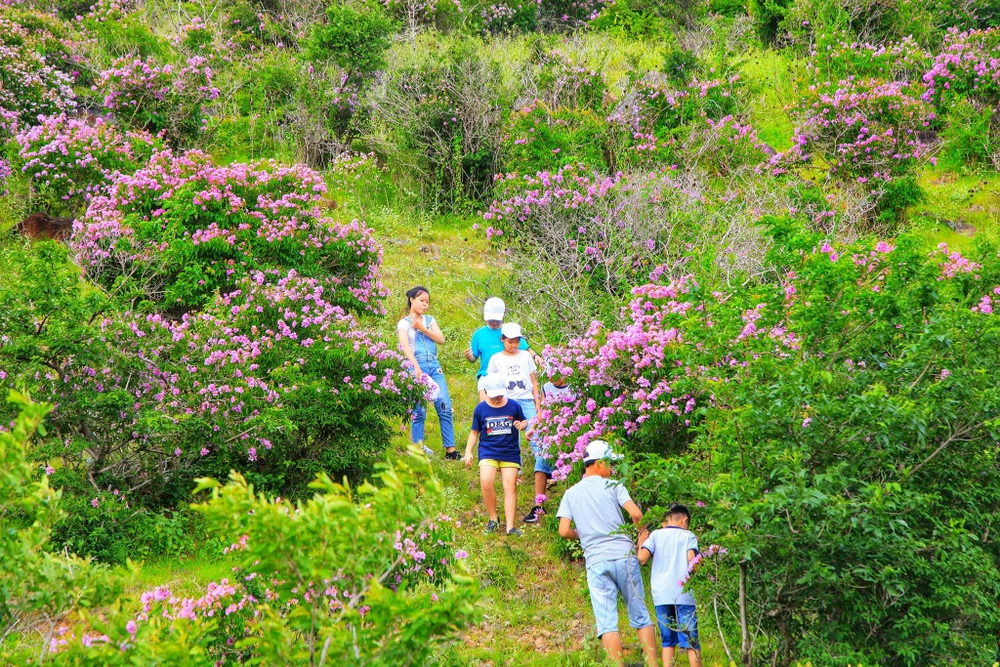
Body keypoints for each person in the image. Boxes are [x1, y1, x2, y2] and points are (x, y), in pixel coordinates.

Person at [557, 441, 658, 667]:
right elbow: (636, 513)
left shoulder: (571, 494)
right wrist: (641, 533)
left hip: (596, 560)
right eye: (610, 463)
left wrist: (584, 534)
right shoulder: (613, 485)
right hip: (624, 556)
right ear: (600, 463)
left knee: (607, 622)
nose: (612, 469)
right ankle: (652, 664)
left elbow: (563, 530)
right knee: (640, 615)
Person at [396, 286, 458, 459]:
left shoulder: (430, 320)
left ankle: (450, 451)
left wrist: (422, 328)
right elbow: (404, 346)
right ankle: (418, 448)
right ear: (412, 300)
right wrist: (414, 366)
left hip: (435, 366)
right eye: (421, 301)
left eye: (427, 302)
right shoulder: (403, 323)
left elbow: (441, 339)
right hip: (416, 366)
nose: (425, 305)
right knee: (419, 410)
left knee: (444, 405)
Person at [464, 373, 529, 537]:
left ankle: (510, 527)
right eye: (493, 395)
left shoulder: (514, 406)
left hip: (510, 452)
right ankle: (493, 518)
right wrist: (468, 451)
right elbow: (474, 432)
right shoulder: (480, 409)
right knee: (486, 481)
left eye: (499, 395)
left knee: (510, 485)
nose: (496, 399)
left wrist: (522, 424)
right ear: (485, 391)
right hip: (488, 451)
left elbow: (525, 421)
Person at [637, 504, 702, 667]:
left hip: (661, 595)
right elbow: (691, 559)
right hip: (684, 595)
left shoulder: (656, 535)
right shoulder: (688, 536)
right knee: (691, 639)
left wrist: (641, 542)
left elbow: (642, 558)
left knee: (668, 640)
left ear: (664, 522)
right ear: (685, 520)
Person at [465, 297, 542, 400]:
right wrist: (469, 356)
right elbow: (473, 358)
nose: (493, 322)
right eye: (490, 320)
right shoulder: (479, 334)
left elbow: (525, 348)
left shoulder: (508, 331)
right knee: (486, 407)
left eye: (496, 320)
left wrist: (536, 356)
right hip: (486, 374)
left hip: (508, 373)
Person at [523, 368, 573, 524]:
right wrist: (533, 428)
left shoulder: (574, 387)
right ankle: (539, 506)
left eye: (556, 376)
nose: (554, 379)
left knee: (568, 471)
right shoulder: (547, 387)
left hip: (570, 435)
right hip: (551, 435)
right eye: (550, 376)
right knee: (540, 467)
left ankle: (570, 509)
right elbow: (543, 412)